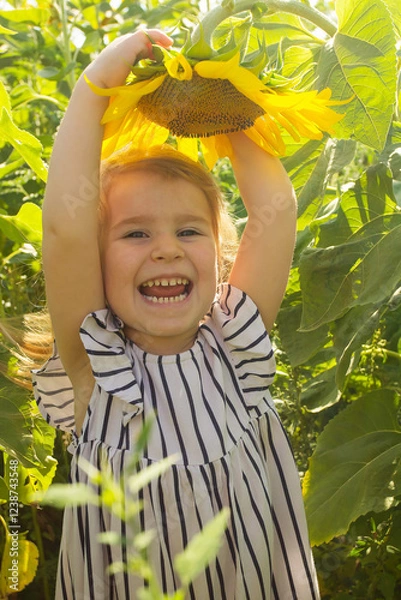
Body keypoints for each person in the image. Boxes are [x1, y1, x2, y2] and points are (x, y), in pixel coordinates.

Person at [32, 29, 320, 599]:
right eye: (135, 232)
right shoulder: (95, 368)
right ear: (96, 262)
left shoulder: (233, 340)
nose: (166, 249)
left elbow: (276, 209)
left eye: (189, 231)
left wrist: (224, 103)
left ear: (220, 253)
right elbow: (65, 227)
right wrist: (94, 87)